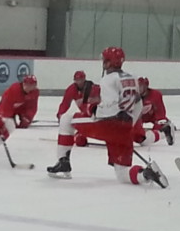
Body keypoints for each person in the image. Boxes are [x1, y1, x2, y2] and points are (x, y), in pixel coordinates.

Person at [47, 47, 168, 188]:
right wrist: (129, 127)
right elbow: (138, 104)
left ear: (109, 62)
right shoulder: (132, 77)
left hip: (109, 125)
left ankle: (63, 163)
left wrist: (91, 110)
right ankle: (144, 174)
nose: (103, 62)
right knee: (122, 174)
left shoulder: (108, 79)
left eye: (105, 59)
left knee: (66, 119)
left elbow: (109, 108)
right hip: (125, 128)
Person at [134, 77, 174, 145]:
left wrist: (155, 131)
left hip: (152, 117)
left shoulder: (155, 95)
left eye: (140, 86)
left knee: (143, 140)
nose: (138, 89)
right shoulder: (131, 95)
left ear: (146, 86)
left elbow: (160, 113)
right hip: (137, 119)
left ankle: (165, 131)